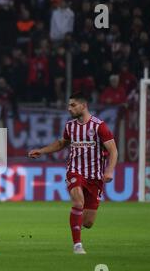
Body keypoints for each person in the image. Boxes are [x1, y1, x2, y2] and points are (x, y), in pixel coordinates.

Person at [28, 92, 118, 254]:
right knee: (78, 203)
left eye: (73, 105)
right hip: (75, 171)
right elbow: (61, 143)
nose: (69, 108)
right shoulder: (70, 126)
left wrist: (109, 170)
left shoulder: (99, 126)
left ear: (83, 106)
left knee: (89, 222)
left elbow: (113, 150)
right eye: (69, 105)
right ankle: (77, 245)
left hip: (95, 176)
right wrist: (42, 151)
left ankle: (75, 224)